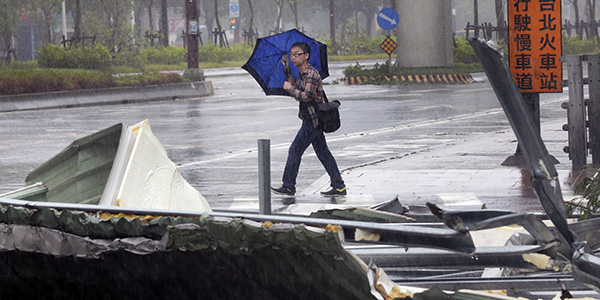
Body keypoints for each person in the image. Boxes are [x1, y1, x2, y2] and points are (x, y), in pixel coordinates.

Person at [271, 42, 346, 197]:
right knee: (323, 154)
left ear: (306, 56)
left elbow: (306, 96)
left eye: (297, 54)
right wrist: (286, 68)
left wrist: (289, 89)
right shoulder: (303, 74)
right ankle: (339, 186)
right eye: (291, 54)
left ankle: (289, 185)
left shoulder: (311, 74)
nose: (293, 57)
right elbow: (296, 85)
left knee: (294, 150)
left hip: (313, 121)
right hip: (312, 120)